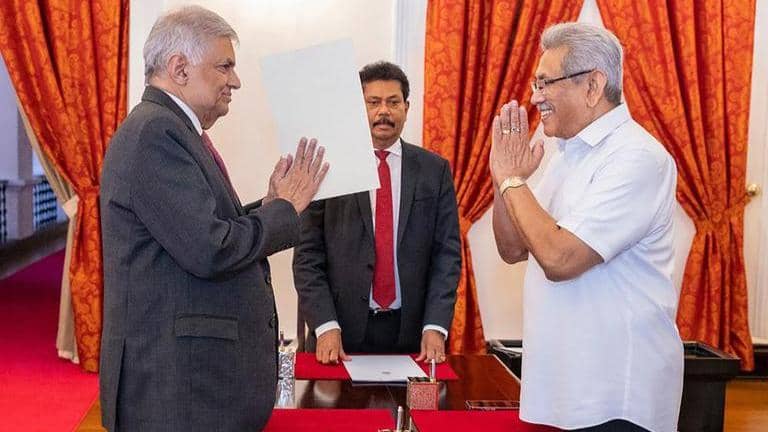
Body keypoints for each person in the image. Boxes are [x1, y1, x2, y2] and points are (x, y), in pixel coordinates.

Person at [99, 6, 328, 431]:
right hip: (179, 388)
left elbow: (200, 228)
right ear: (179, 68)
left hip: (189, 383)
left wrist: (270, 205)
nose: (235, 81)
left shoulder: (170, 128)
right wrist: (283, 211)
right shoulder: (155, 132)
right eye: (225, 66)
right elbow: (210, 249)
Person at [490, 23, 683, 432]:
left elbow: (560, 259)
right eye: (535, 83)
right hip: (561, 388)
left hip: (615, 396)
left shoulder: (636, 158)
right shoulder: (564, 154)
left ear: (593, 85)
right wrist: (501, 179)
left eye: (546, 83)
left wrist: (513, 180)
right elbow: (512, 248)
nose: (535, 97)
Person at [292, 61, 461, 365]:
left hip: (413, 334)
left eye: (393, 102)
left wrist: (435, 326)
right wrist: (325, 325)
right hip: (338, 336)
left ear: (406, 107)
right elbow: (307, 256)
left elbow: (446, 256)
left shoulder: (434, 171)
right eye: (373, 102)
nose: (384, 111)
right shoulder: (327, 168)